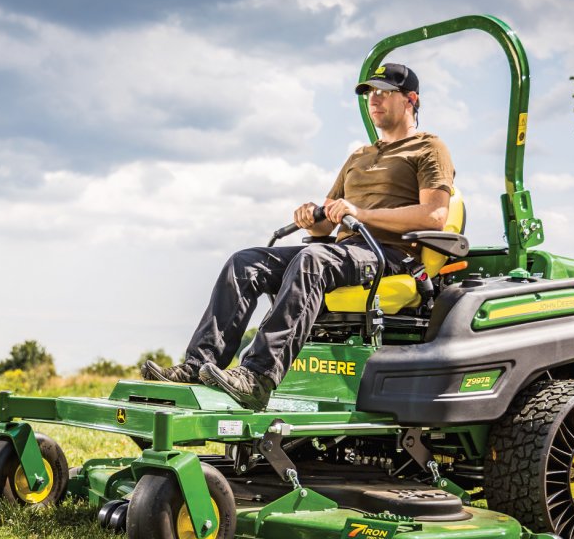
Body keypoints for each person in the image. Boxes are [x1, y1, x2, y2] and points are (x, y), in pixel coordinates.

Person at [141, 63, 456, 410]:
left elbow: (435, 216)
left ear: (411, 99)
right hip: (344, 251)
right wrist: (311, 217)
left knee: (312, 260)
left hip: (389, 256)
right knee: (245, 263)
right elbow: (326, 225)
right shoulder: (360, 155)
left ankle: (257, 376)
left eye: (384, 92)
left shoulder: (428, 147)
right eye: (370, 93)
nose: (374, 99)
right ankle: (198, 364)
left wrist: (361, 214)